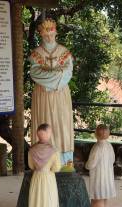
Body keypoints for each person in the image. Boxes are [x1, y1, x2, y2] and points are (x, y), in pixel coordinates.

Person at [29, 18, 74, 166]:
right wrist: (57, 76)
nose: (49, 37)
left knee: (62, 123)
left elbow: (68, 72)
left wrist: (53, 78)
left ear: (56, 33)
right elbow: (35, 73)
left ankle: (64, 161)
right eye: (45, 34)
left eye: (51, 33)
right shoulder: (36, 53)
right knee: (45, 121)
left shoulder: (64, 52)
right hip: (42, 94)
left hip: (61, 95)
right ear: (41, 35)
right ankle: (44, 161)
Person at [27, 123, 61, 207]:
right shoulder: (54, 151)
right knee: (48, 201)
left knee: (36, 201)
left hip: (36, 178)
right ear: (48, 134)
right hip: (48, 178)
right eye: (50, 132)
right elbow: (56, 168)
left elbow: (31, 166)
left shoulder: (32, 150)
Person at [85, 124, 116, 207]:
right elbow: (113, 160)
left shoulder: (97, 147)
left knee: (97, 199)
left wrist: (86, 165)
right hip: (107, 177)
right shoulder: (109, 145)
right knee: (104, 199)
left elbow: (91, 163)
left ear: (96, 134)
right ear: (108, 134)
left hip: (99, 178)